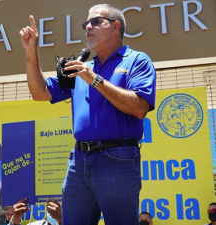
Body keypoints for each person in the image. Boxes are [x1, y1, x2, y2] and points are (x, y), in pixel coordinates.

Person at [19, 3, 156, 225]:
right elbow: (40, 92)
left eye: (95, 21)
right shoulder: (83, 67)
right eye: (86, 24)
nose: (88, 27)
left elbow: (140, 107)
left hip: (118, 158)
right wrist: (30, 50)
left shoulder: (136, 60)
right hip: (79, 160)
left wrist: (95, 80)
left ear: (115, 26)